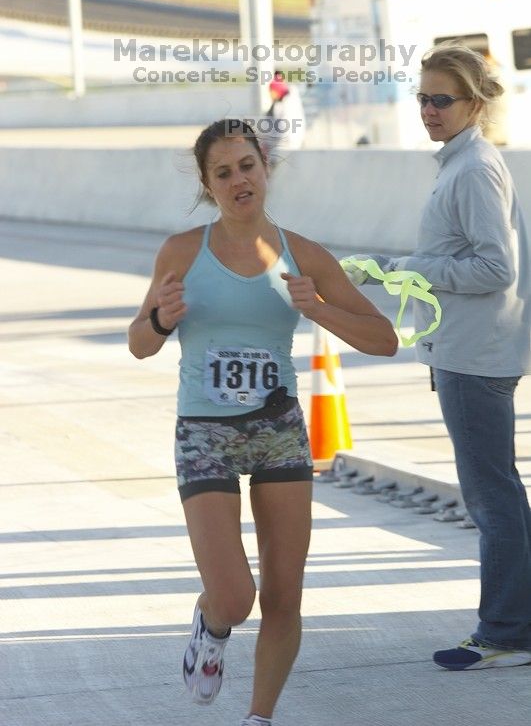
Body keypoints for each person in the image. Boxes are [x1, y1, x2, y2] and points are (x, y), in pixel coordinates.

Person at [128, 118, 397, 725]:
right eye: (223, 173)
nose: (238, 180)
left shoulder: (304, 254)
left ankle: (259, 718)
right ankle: (211, 622)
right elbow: (139, 343)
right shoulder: (180, 252)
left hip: (278, 430)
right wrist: (163, 321)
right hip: (205, 432)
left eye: (246, 166)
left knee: (283, 596)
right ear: (208, 184)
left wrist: (319, 307)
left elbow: (384, 339)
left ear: (264, 168)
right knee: (234, 595)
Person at [352, 44, 531, 670]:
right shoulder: (462, 163)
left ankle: (507, 632)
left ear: (474, 104)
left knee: (491, 496)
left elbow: (494, 267)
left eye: (441, 100)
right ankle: (514, 623)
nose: (428, 110)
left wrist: (406, 269)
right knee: (497, 491)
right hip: (469, 349)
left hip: (475, 356)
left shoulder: (475, 168)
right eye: (422, 98)